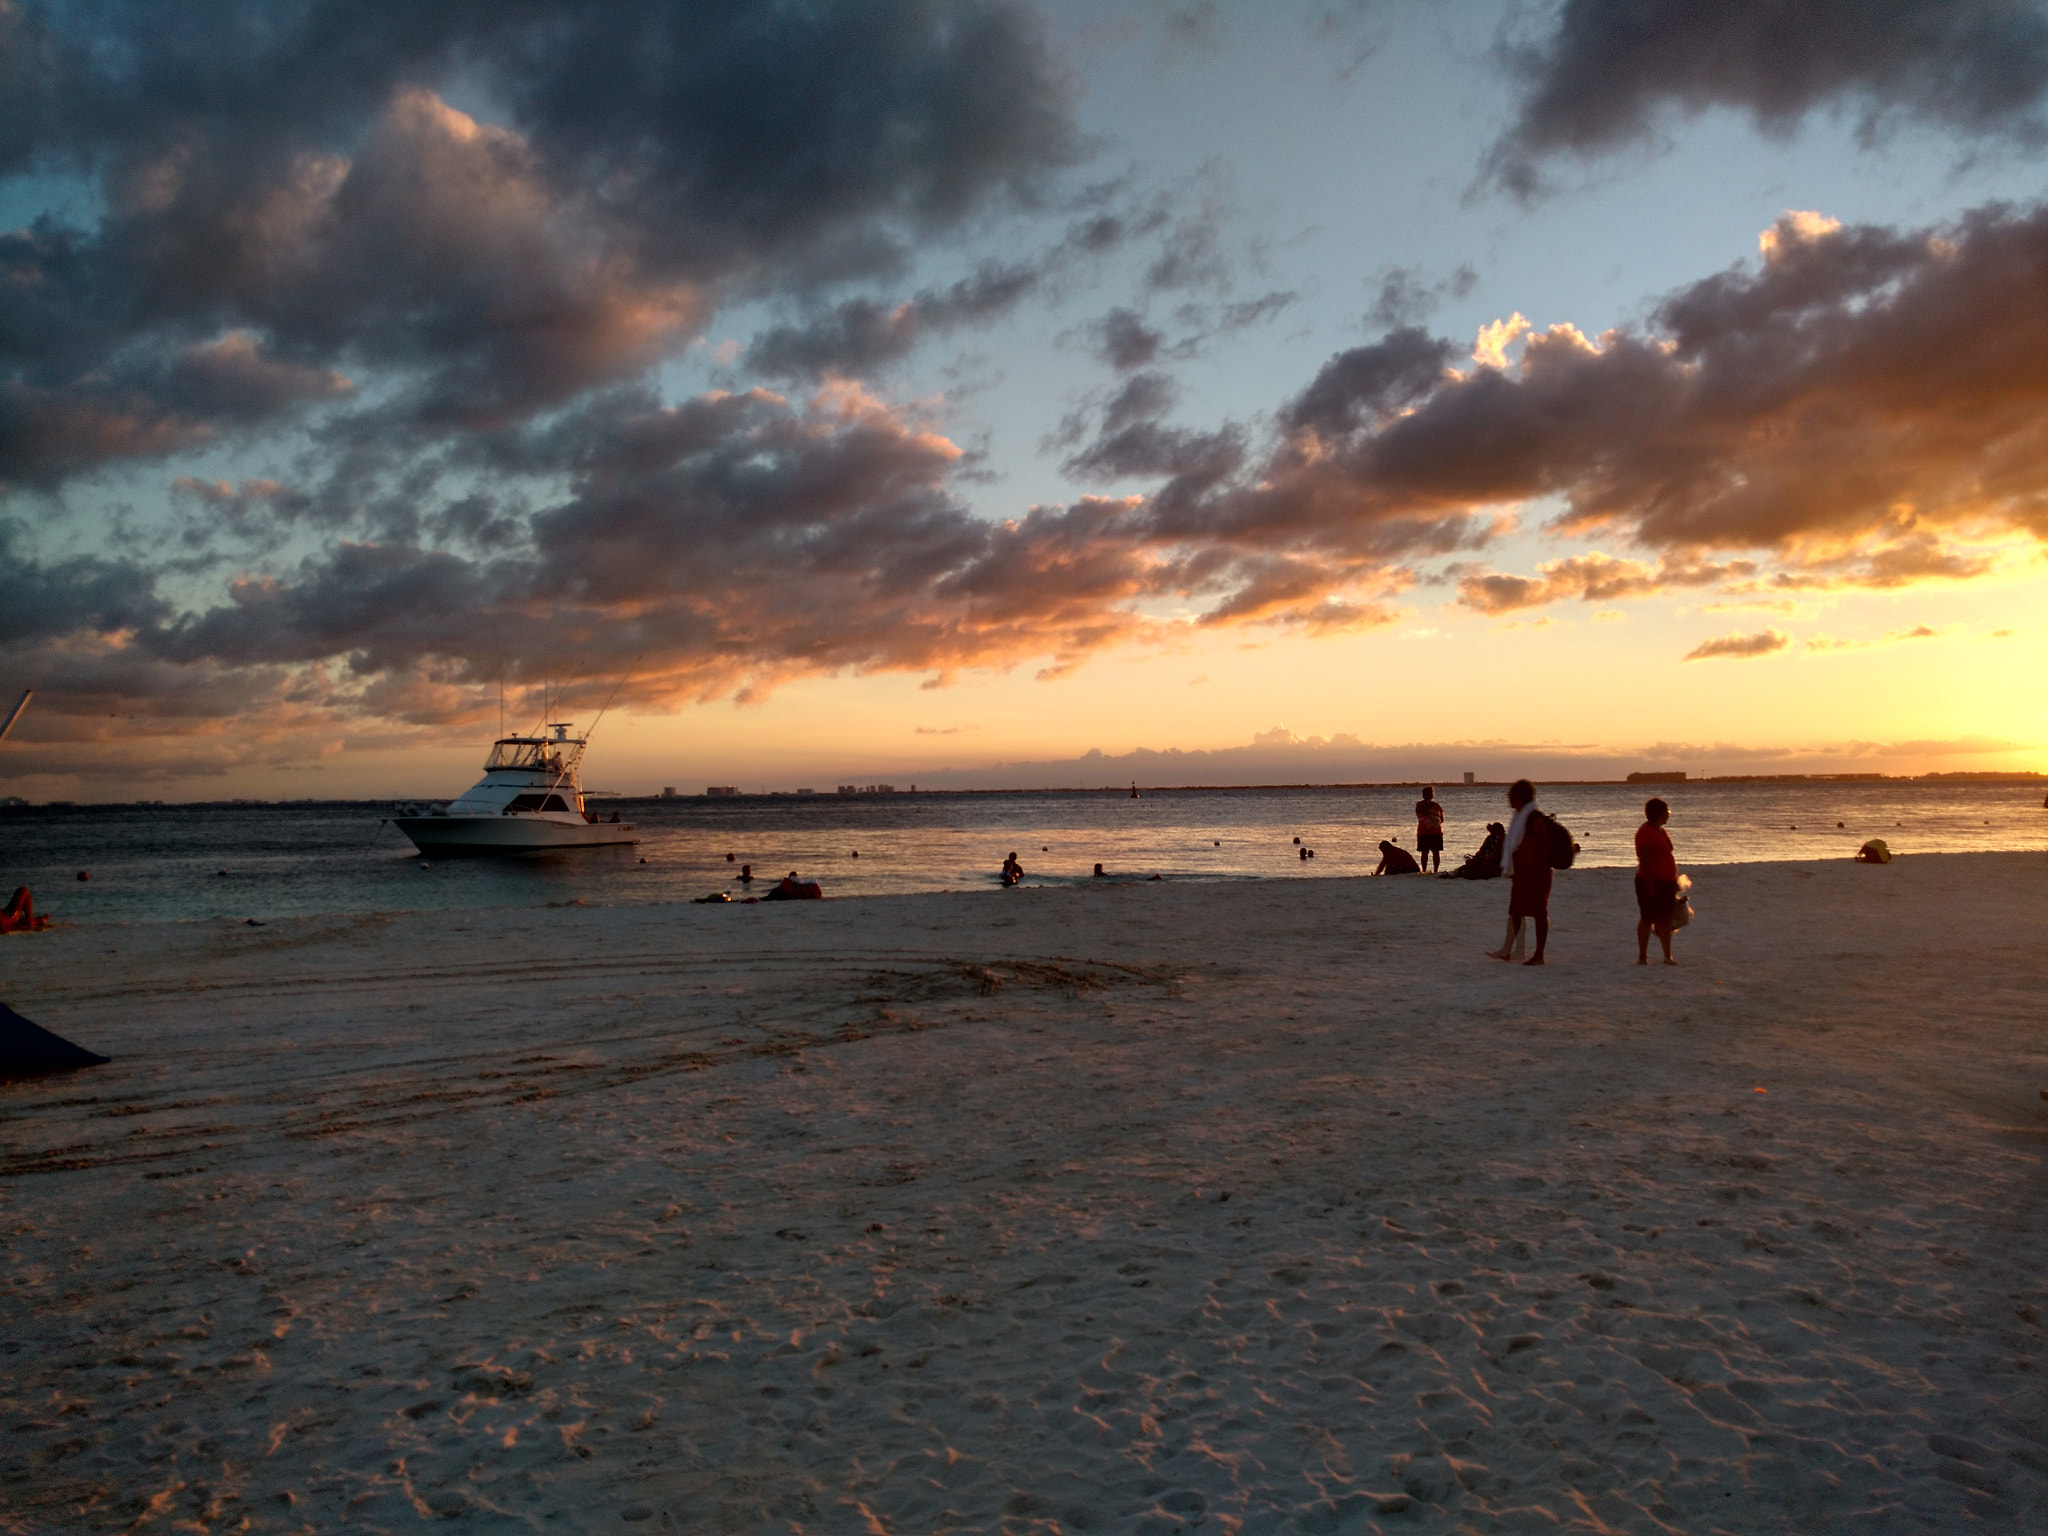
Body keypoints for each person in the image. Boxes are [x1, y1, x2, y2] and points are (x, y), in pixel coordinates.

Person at [1487, 779, 1550, 965]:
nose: (1508, 799)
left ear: (1518, 798)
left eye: (1510, 796)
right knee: (1516, 910)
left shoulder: (1534, 817)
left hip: (1536, 871)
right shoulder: (1520, 816)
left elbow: (1543, 844)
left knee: (1538, 912)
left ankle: (1538, 955)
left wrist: (1528, 857)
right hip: (1522, 870)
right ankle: (1512, 950)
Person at [1634, 797, 1680, 965]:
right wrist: (1650, 884)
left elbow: (1668, 852)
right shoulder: (1645, 832)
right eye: (1666, 812)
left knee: (1665, 919)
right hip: (1651, 881)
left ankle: (1667, 955)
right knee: (1647, 918)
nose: (1668, 815)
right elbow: (1644, 861)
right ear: (1659, 813)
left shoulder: (1660, 830)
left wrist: (1673, 880)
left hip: (1666, 881)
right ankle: (1642, 955)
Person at [1414, 786, 1445, 873]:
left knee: (1435, 852)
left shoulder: (1436, 805)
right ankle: (1424, 869)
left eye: (1431, 793)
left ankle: (1435, 870)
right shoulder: (1420, 805)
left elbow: (1442, 818)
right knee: (1425, 852)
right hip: (1424, 832)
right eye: (1428, 793)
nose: (1430, 795)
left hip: (1435, 832)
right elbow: (1421, 812)